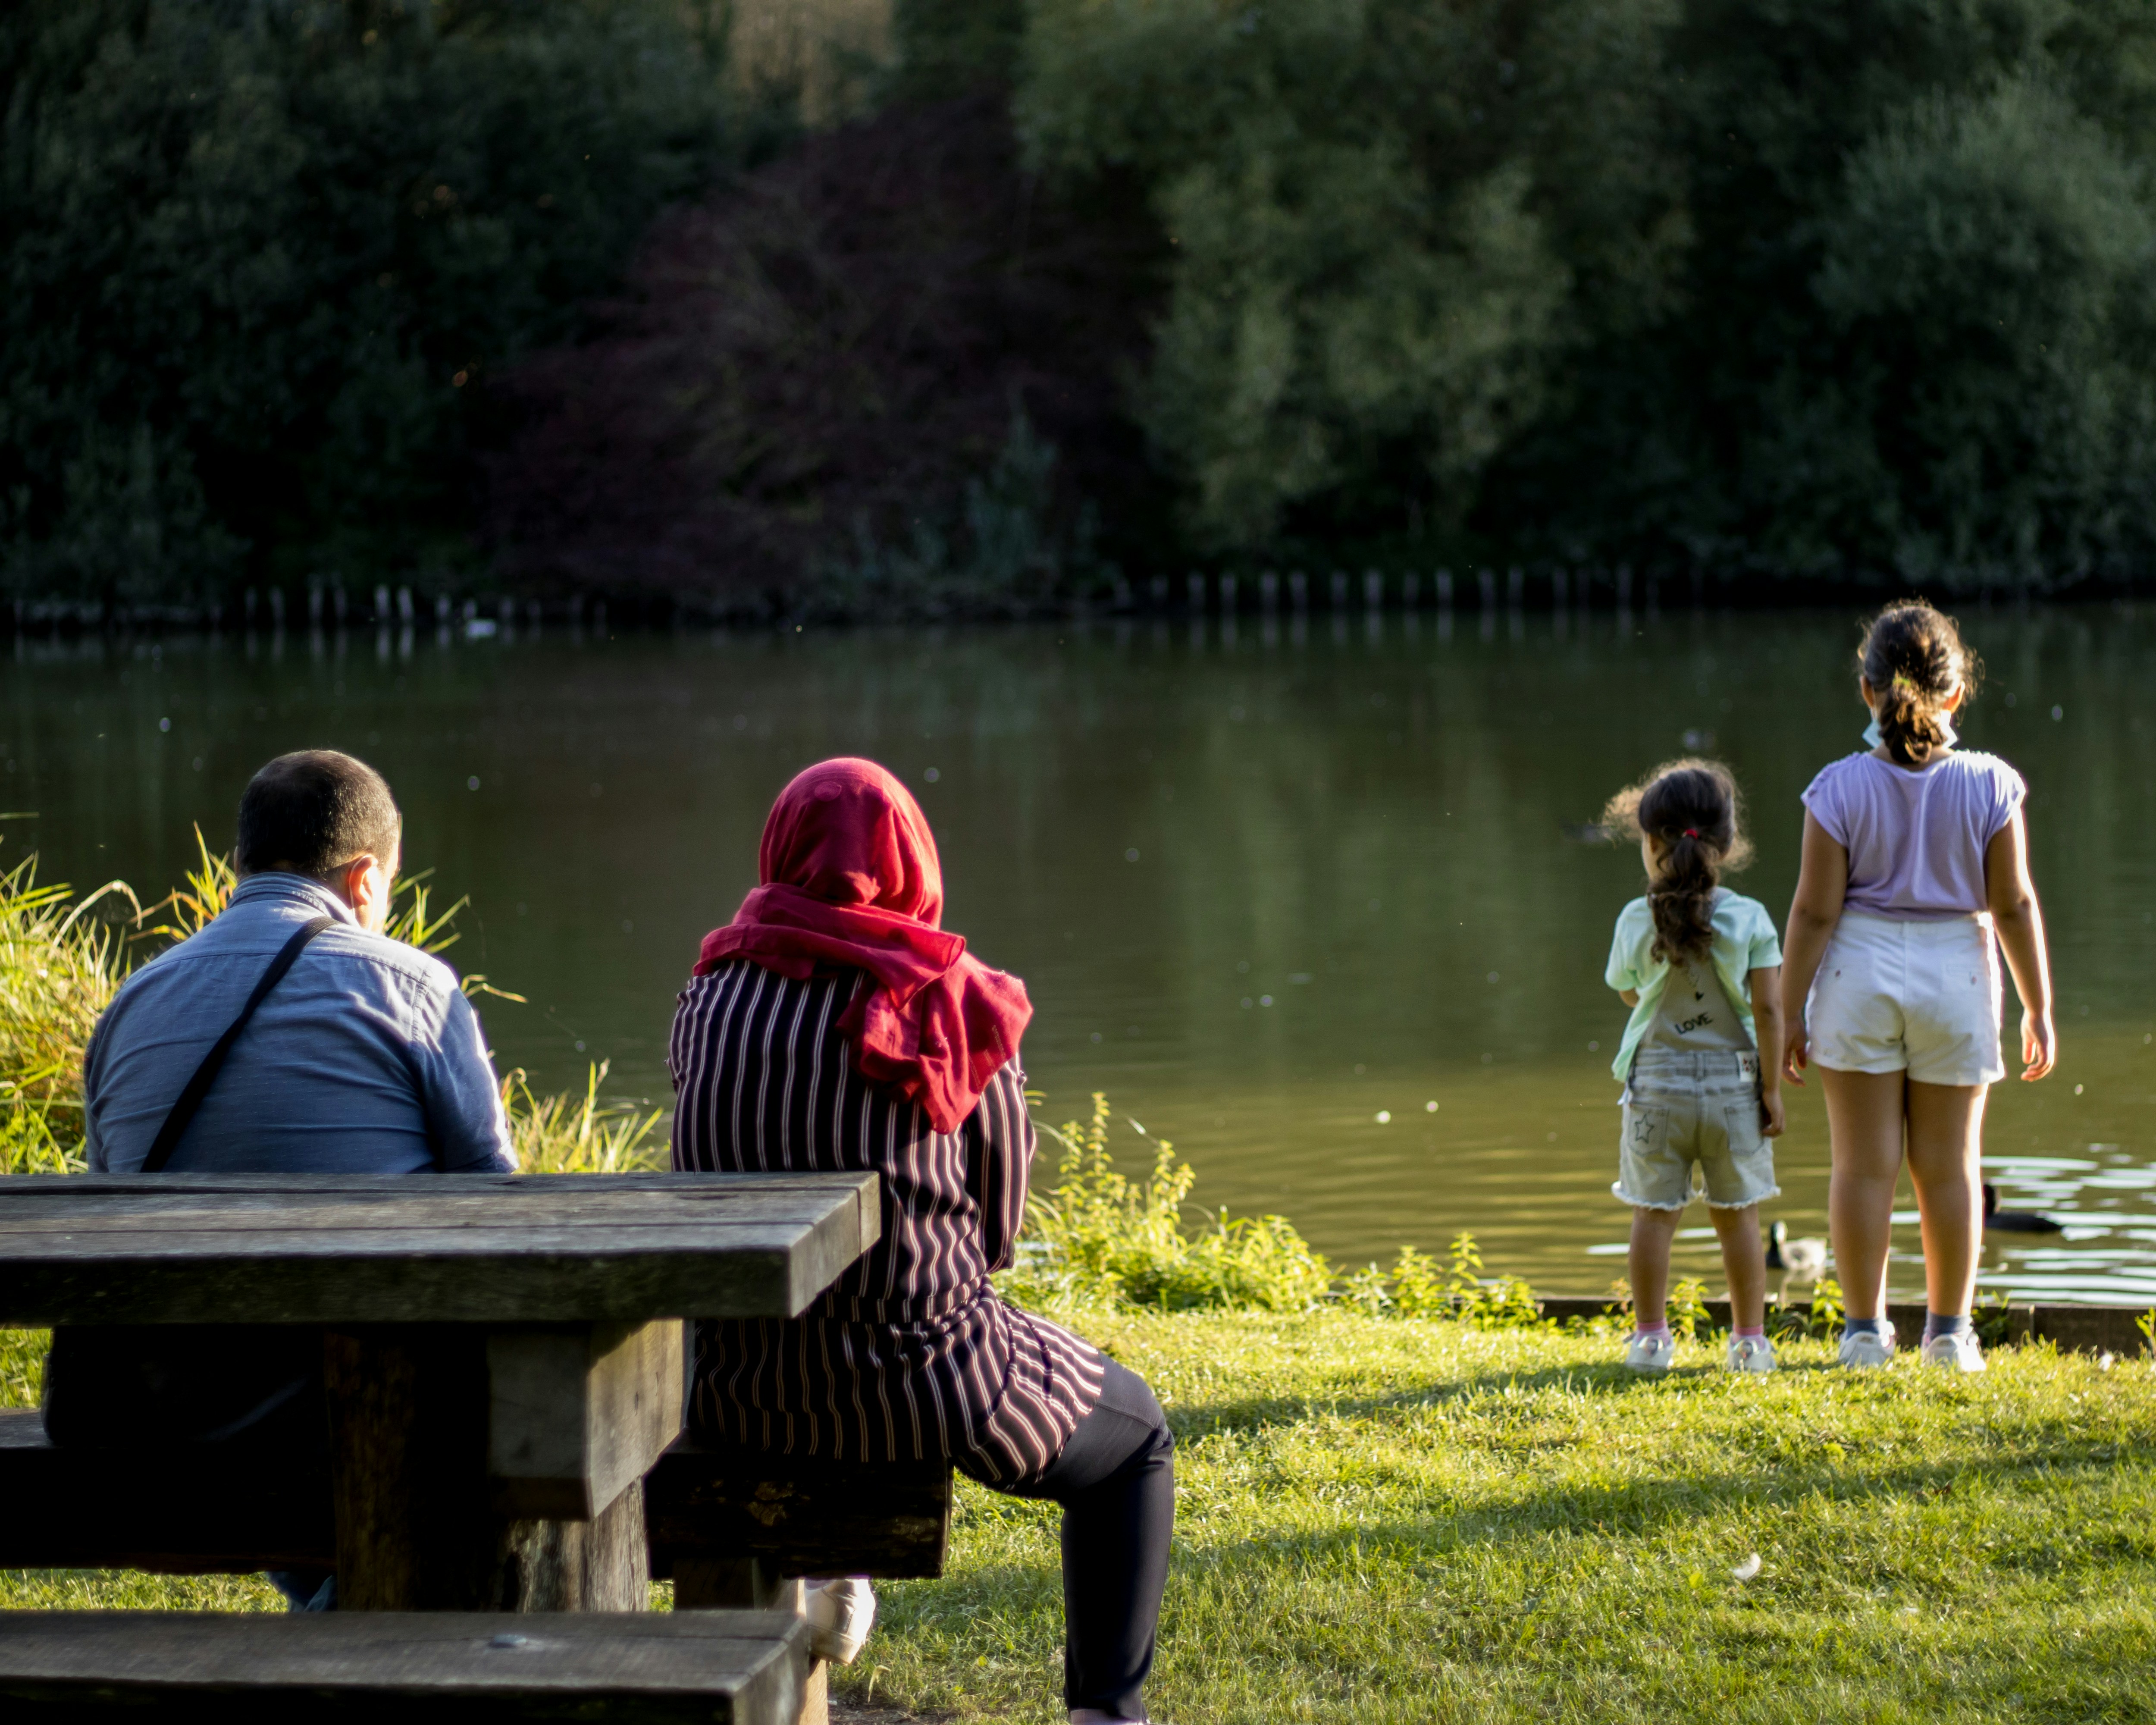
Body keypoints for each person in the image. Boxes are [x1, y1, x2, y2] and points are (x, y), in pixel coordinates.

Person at [670, 758, 1172, 1725]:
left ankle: (828, 1566)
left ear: (779, 849)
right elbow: (997, 1221)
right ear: (910, 859)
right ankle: (1107, 1713)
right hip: (923, 1379)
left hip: (740, 1383)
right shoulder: (952, 996)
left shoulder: (712, 987)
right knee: (1137, 1438)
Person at [53, 749, 516, 1608]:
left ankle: (332, 1619)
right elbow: (496, 1206)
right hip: (345, 1414)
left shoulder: (132, 1002)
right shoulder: (412, 986)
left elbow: (107, 1207)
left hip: (166, 1415)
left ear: (243, 864)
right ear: (366, 876)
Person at [1780, 602, 2054, 1372]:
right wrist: (2038, 1005)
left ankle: (1864, 1333)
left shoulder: (1836, 789)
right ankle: (1948, 1334)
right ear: (1957, 694)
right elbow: (2014, 904)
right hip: (1958, 974)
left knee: (1861, 1168)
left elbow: (1812, 911)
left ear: (1866, 691)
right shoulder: (1992, 784)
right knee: (1951, 1167)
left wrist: (1789, 1011)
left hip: (1858, 973)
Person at [1601, 759, 1785, 1374]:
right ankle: (1749, 1341)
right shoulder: (1751, 918)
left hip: (1656, 1088)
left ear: (1652, 842)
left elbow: (1629, 992)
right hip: (1736, 1088)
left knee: (1654, 1216)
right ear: (1726, 843)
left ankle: (1650, 1339)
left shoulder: (1636, 918)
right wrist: (1773, 1089)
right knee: (1740, 1217)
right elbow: (1769, 1008)